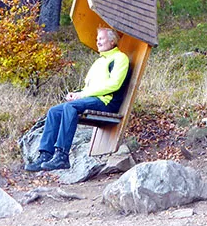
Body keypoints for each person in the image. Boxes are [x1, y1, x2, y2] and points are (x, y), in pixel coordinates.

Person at [25, 27, 129, 171]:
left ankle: (62, 155)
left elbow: (114, 84)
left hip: (106, 101)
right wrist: (77, 93)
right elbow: (89, 87)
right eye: (97, 39)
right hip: (92, 99)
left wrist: (83, 95)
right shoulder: (99, 62)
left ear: (112, 41)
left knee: (70, 107)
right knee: (54, 111)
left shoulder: (120, 58)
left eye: (101, 39)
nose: (98, 42)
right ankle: (45, 155)